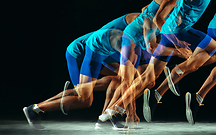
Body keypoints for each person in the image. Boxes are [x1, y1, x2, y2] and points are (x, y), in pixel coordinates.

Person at [111, 0, 216, 124]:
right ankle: (174, 73)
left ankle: (116, 110)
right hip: (162, 33)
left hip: (163, 33)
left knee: (148, 79)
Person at [22, 13, 150, 130]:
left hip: (100, 53)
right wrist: (131, 113)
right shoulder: (134, 24)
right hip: (81, 52)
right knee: (85, 99)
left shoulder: (138, 37)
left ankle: (104, 118)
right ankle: (36, 109)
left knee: (118, 80)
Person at [99, 0, 192, 125]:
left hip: (134, 42)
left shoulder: (157, 14)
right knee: (126, 79)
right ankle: (115, 114)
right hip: (108, 46)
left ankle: (108, 114)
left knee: (148, 80)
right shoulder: (146, 21)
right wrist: (178, 52)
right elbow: (152, 46)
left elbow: (146, 11)